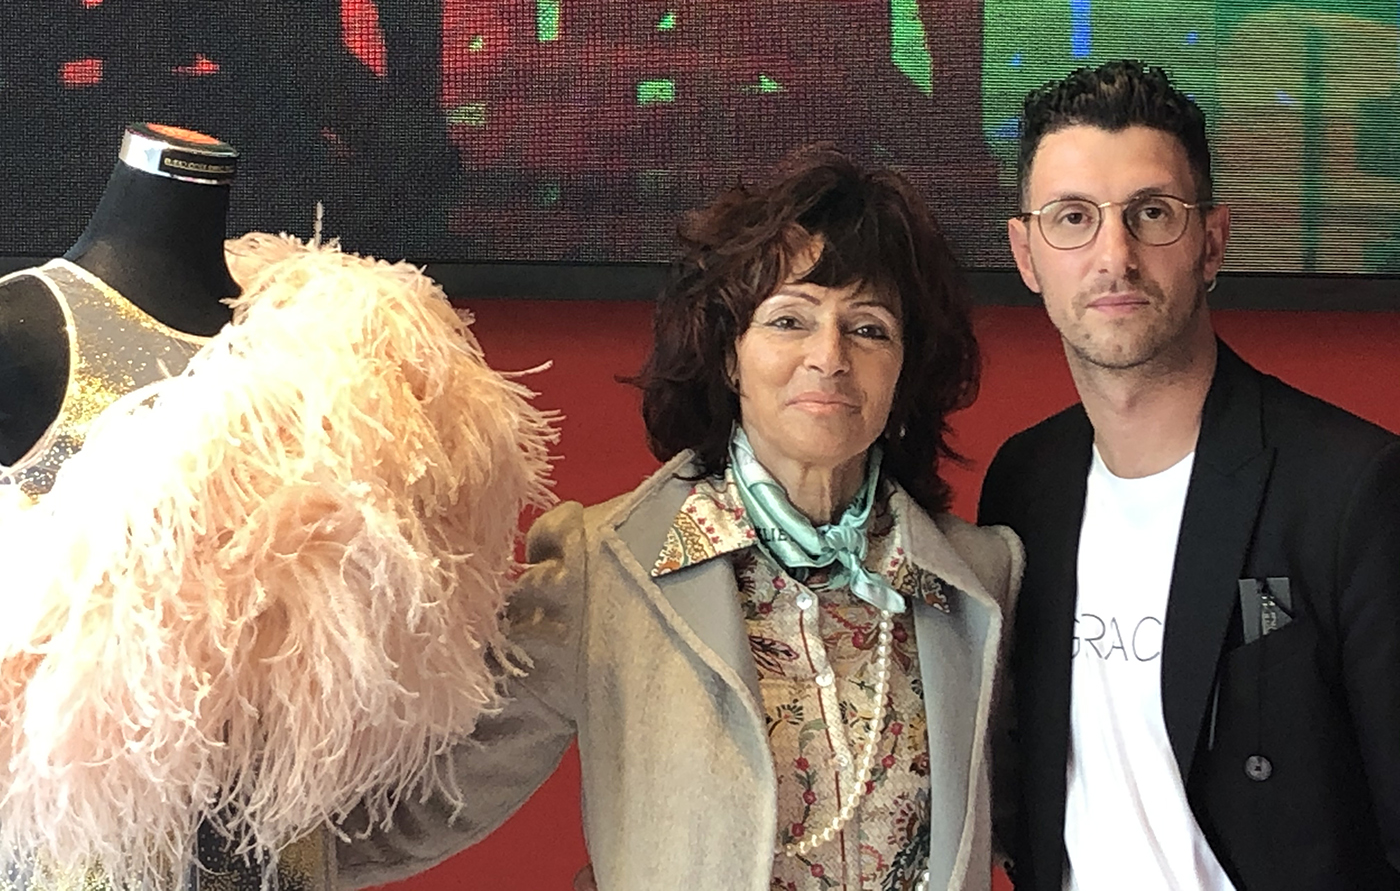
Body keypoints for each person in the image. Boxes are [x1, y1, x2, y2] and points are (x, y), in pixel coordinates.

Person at [335, 144, 1022, 891]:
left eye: (869, 329)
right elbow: (426, 802)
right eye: (789, 320)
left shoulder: (980, 581)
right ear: (729, 357)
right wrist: (248, 844)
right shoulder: (603, 570)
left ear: (904, 370)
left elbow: (1043, 815)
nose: (829, 356)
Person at [978, 60, 1400, 890]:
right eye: (1073, 218)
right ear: (1026, 254)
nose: (1115, 256)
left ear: (1212, 241)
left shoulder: (1353, 491)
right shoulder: (1025, 485)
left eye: (1152, 214)